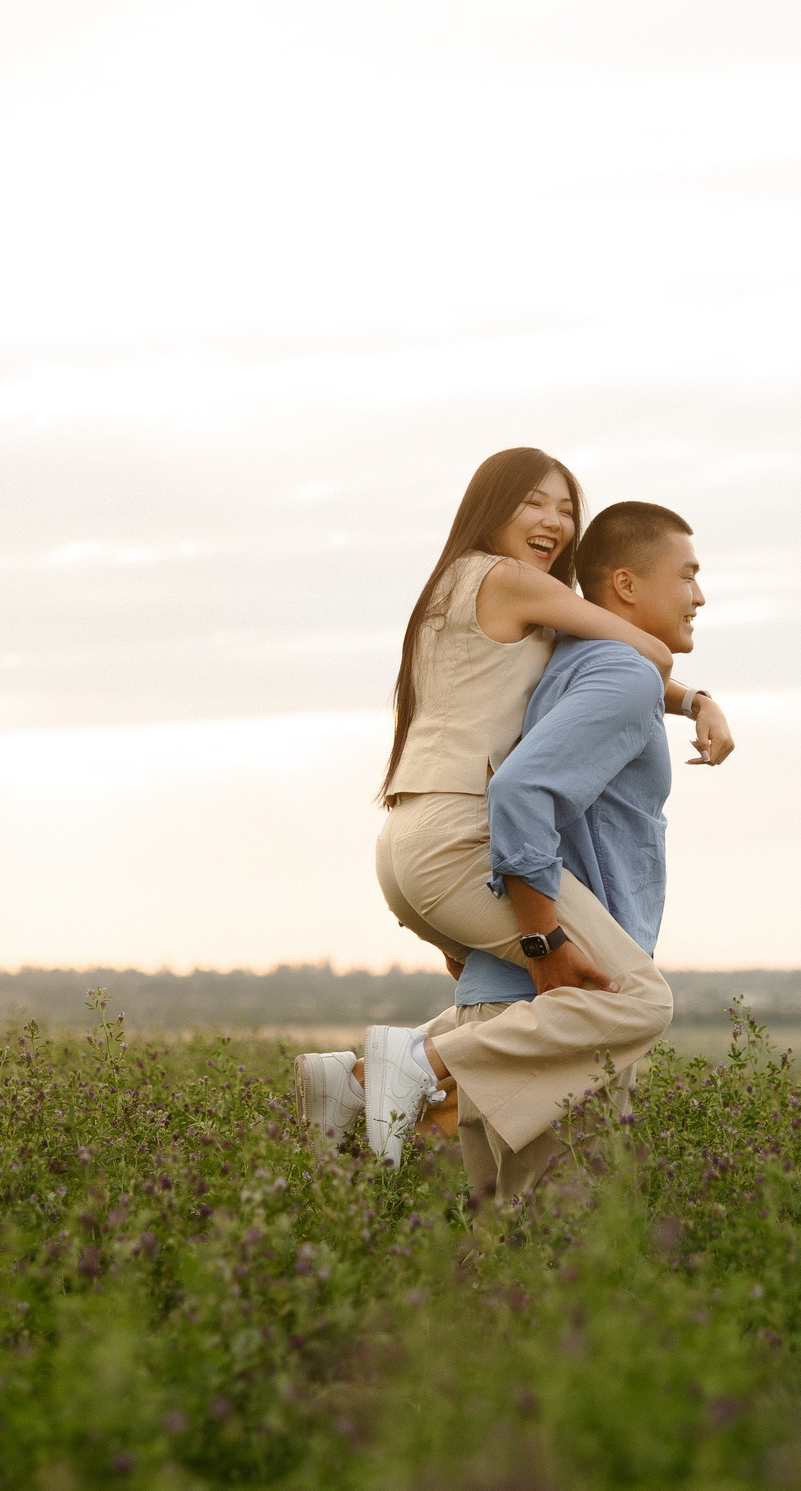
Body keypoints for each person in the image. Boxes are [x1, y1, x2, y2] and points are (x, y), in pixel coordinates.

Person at [301, 496, 721, 1198]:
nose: (699, 595)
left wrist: (695, 699)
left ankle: (370, 1075)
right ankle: (410, 1061)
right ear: (624, 584)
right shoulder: (619, 674)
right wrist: (546, 938)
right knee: (563, 1248)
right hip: (566, 995)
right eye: (687, 574)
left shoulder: (554, 663)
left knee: (501, 1252)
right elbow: (521, 793)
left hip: (506, 1004)